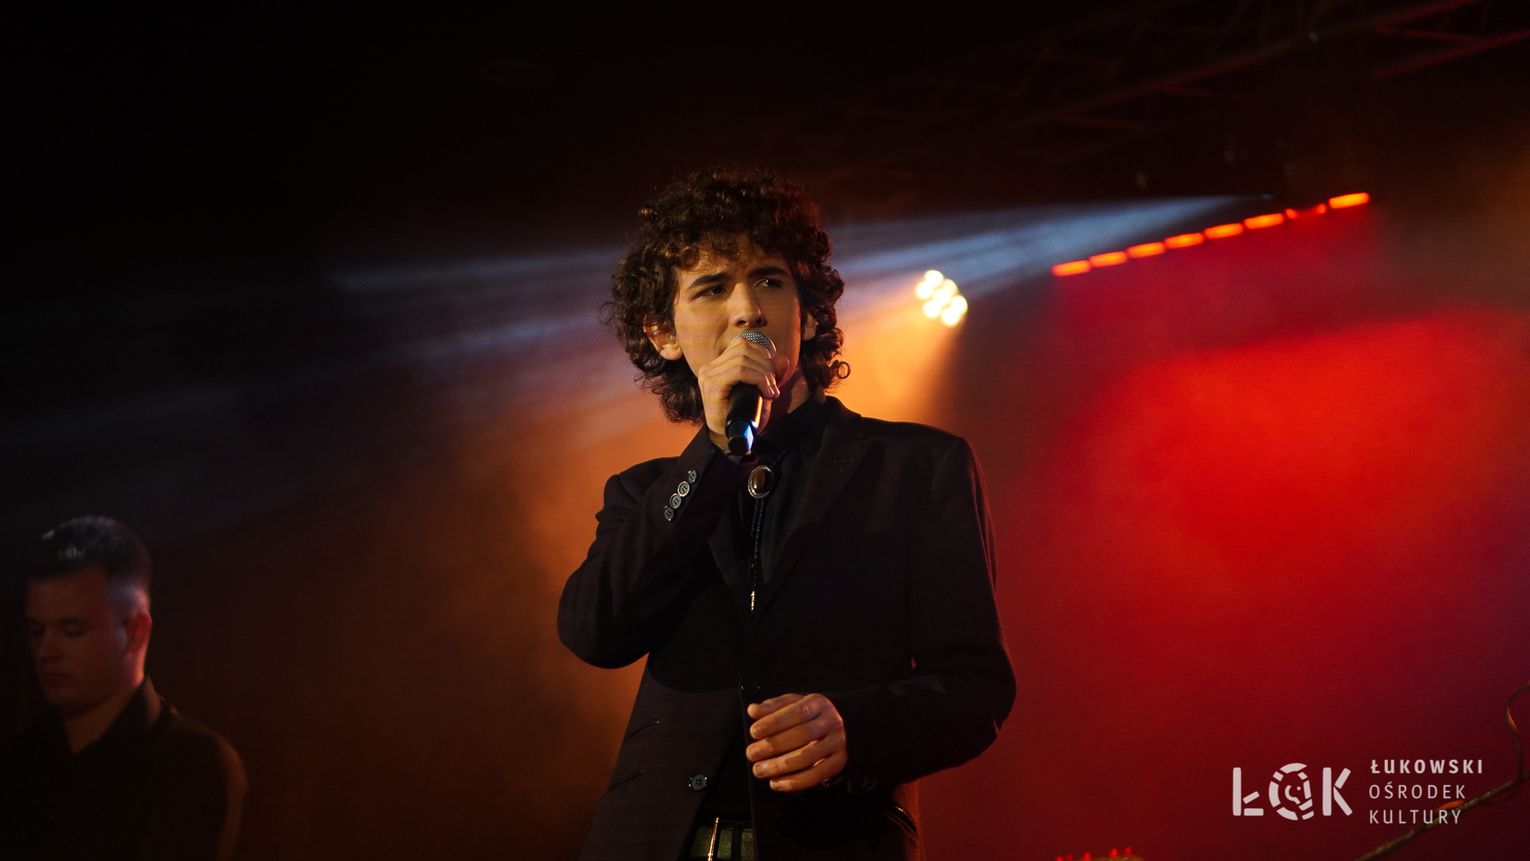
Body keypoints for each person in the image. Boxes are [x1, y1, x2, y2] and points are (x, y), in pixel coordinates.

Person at [558, 168, 1015, 860]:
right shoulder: (646, 491)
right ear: (663, 334)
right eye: (713, 288)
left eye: (769, 280)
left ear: (810, 313)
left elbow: (977, 686)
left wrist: (857, 726)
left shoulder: (917, 467)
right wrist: (714, 453)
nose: (747, 310)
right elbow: (595, 630)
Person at [1, 515, 246, 860]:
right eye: (36, 631)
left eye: (72, 630)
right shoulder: (19, 760)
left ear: (134, 633)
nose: (45, 651)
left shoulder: (190, 765)